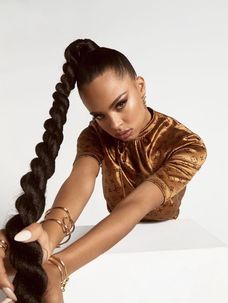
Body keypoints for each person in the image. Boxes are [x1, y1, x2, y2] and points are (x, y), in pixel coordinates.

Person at [0, 38, 207, 303]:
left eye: (120, 104)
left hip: (162, 227)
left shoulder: (186, 145)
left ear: (140, 86)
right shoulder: (95, 135)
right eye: (99, 115)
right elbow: (80, 180)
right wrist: (46, 240)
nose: (115, 123)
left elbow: (135, 205)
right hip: (115, 225)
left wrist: (59, 267)